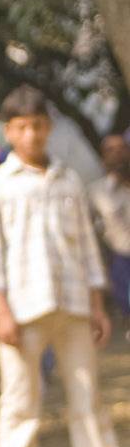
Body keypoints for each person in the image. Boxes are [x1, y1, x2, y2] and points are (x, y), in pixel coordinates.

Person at [0, 85, 127, 447]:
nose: (31, 135)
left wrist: (97, 304)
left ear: (48, 128)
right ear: (9, 131)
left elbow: (86, 249)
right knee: (21, 399)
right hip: (21, 308)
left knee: (86, 393)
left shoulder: (69, 179)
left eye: (38, 125)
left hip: (74, 302)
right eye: (21, 127)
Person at [89, 133, 130, 321]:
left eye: (122, 148)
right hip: (120, 263)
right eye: (111, 150)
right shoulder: (96, 193)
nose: (118, 154)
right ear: (102, 156)